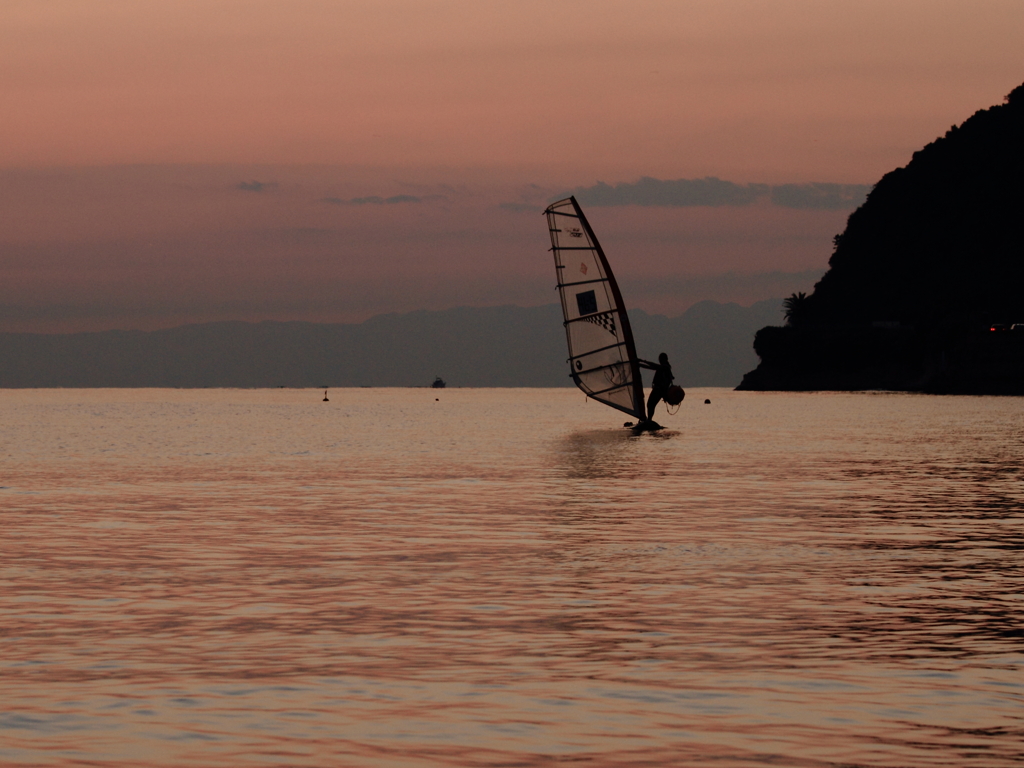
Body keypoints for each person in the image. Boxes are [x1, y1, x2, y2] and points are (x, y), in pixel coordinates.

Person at [638, 352, 673, 422]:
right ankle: (649, 419)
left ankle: (649, 420)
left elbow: (654, 366)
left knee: (650, 405)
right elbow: (651, 367)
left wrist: (643, 361)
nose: (659, 360)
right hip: (658, 390)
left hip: (659, 390)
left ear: (665, 359)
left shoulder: (665, 367)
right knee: (650, 405)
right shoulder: (662, 367)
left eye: (661, 359)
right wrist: (640, 365)